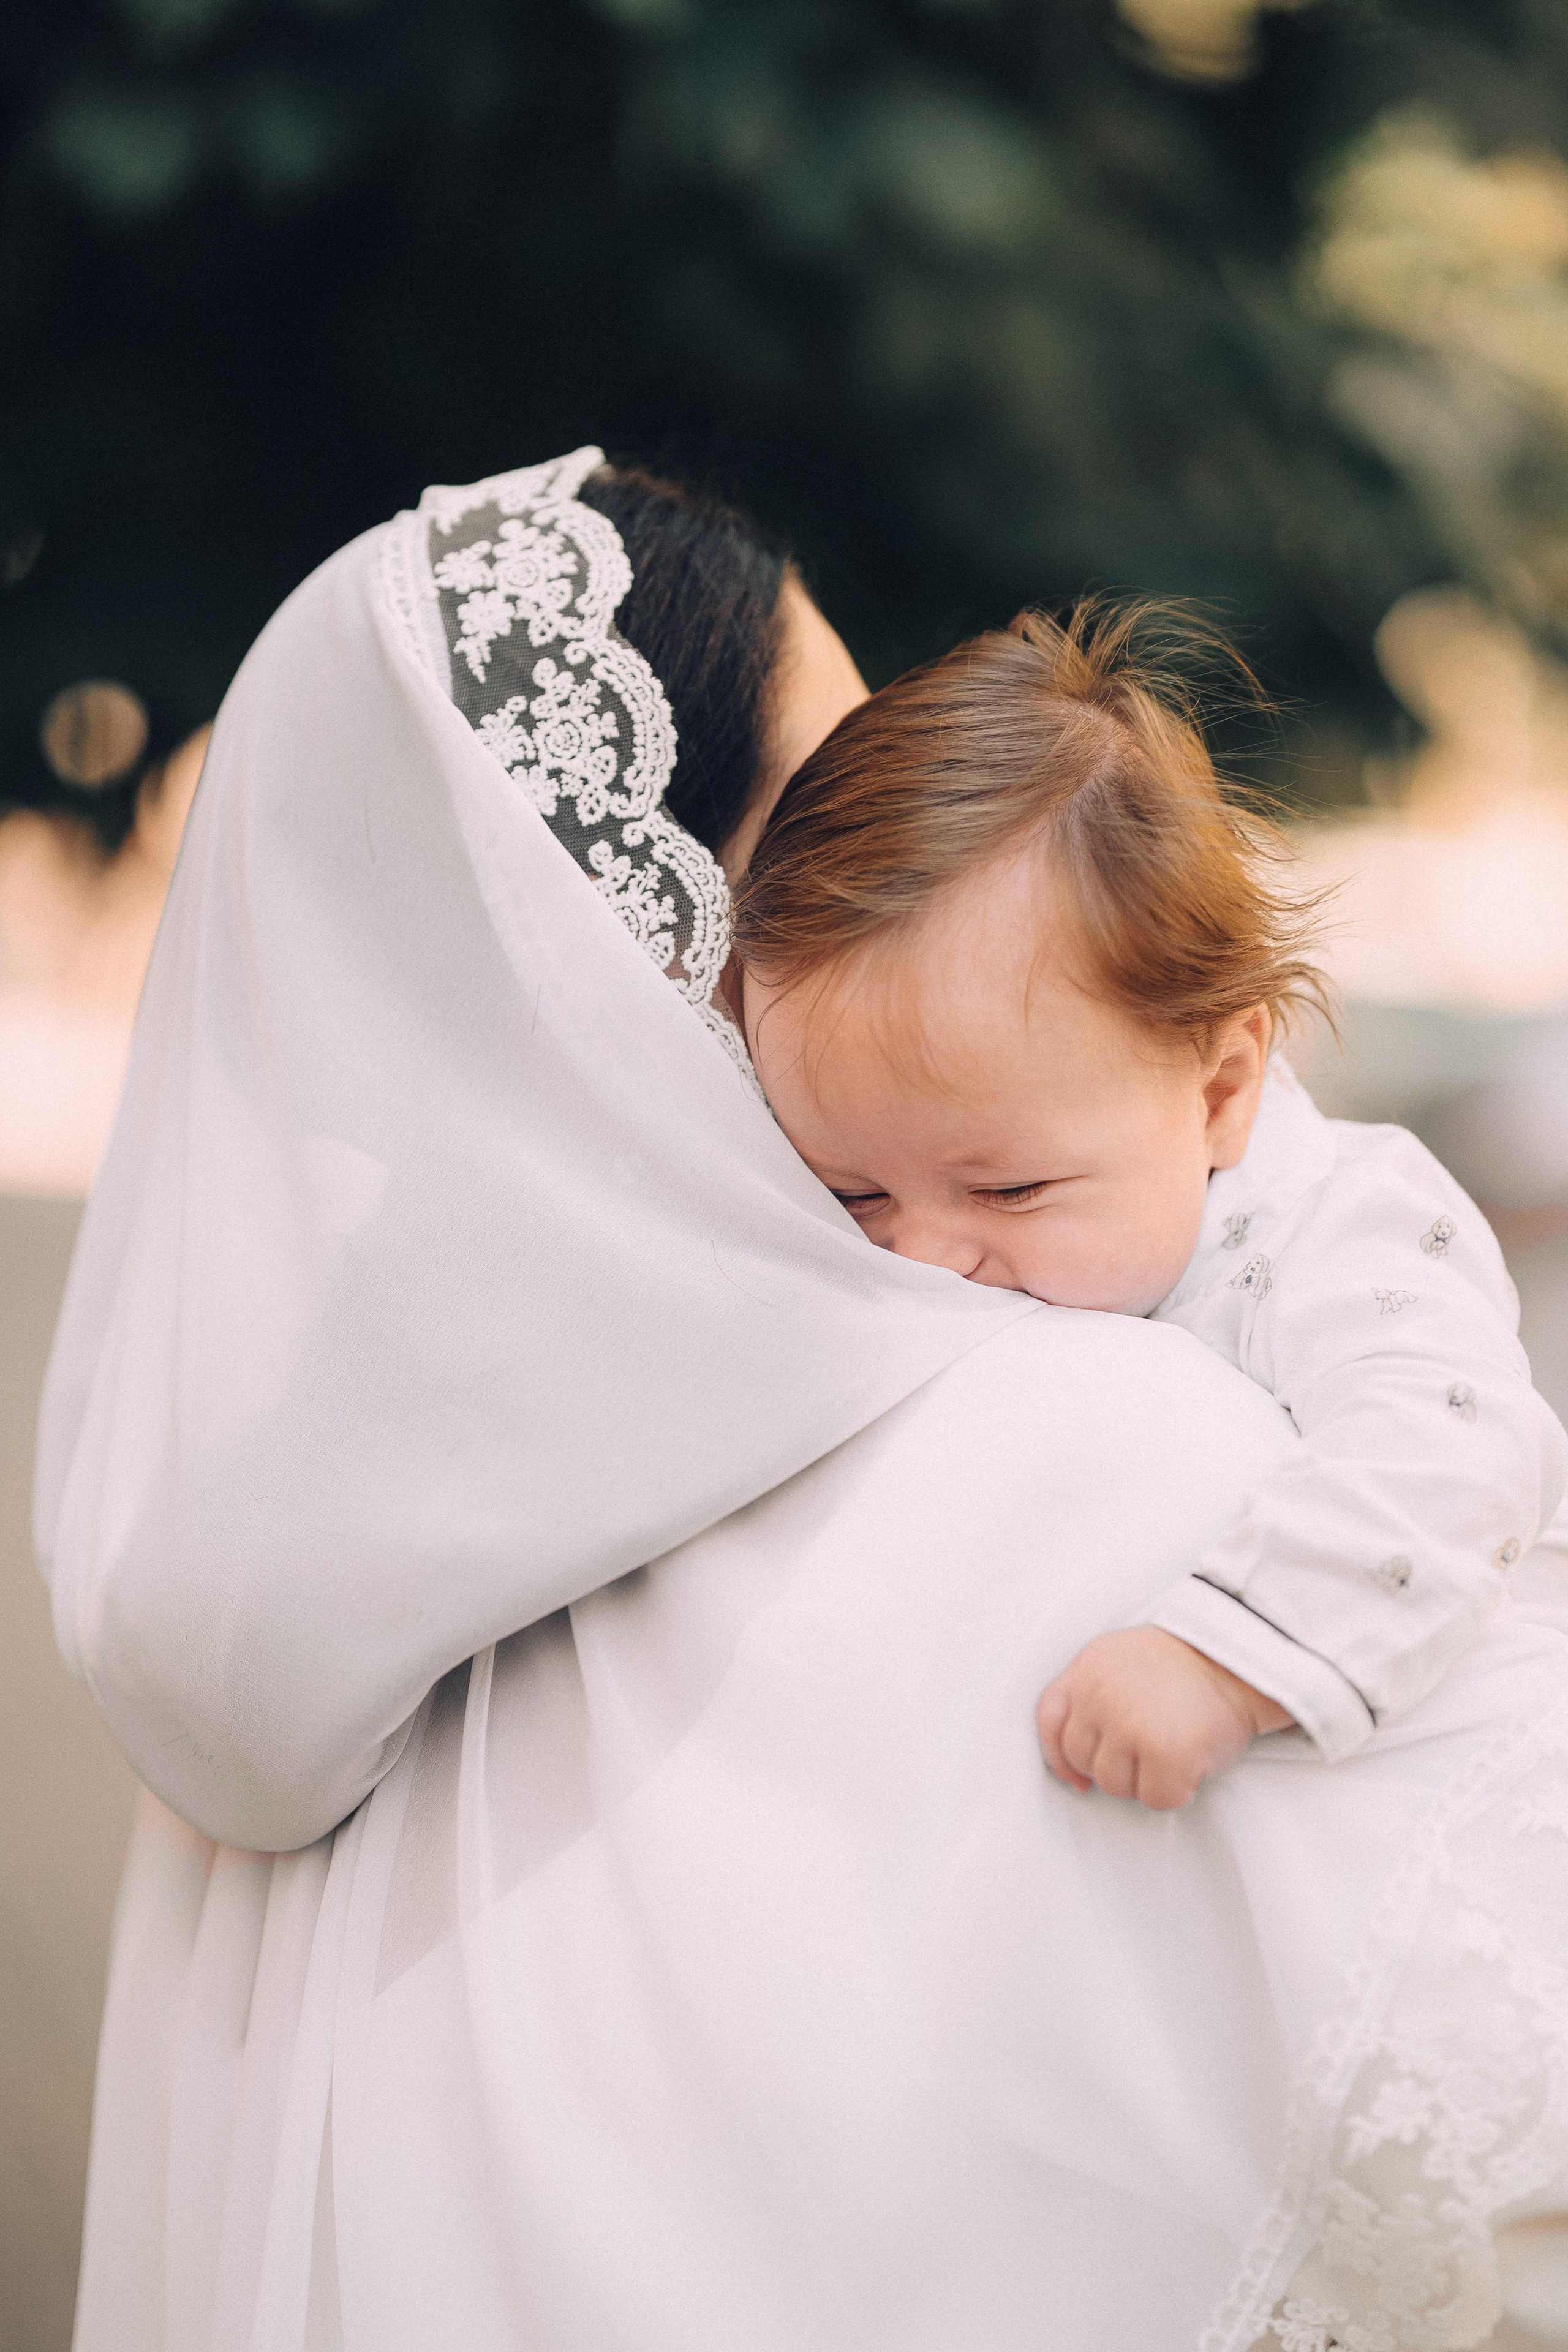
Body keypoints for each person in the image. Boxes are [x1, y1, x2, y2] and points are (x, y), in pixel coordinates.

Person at [36, 451, 1568, 2352]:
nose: (924, 1250)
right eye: (823, 836)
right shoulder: (1083, 1441)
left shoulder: (288, 1603)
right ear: (677, 941)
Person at [736, 603, 1568, 1811]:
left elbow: (1447, 1451)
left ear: (1220, 1091)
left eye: (1008, 1188)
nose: (922, 1253)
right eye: (851, 1191)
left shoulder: (1339, 1224)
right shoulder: (982, 1221)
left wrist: (1226, 1657)